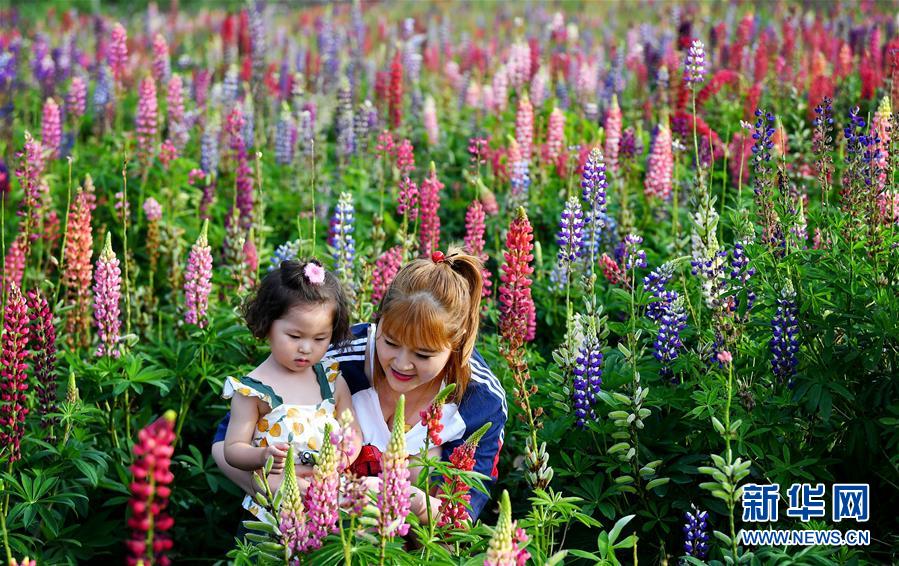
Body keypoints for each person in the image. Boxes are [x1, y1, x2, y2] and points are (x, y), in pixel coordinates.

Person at [213, 248, 507, 521]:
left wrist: (412, 501)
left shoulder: (481, 400)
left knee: (421, 464)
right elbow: (224, 444)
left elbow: (462, 517)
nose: (402, 364)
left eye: (423, 354)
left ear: (458, 344)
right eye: (390, 342)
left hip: (410, 543)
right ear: (378, 322)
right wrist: (282, 494)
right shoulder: (335, 356)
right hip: (312, 524)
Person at [220, 259, 360, 521]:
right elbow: (233, 449)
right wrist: (262, 456)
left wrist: (340, 459)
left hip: (324, 504)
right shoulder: (252, 390)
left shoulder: (330, 379)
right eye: (295, 337)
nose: (306, 348)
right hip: (272, 510)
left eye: (320, 338)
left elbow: (352, 431)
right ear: (267, 325)